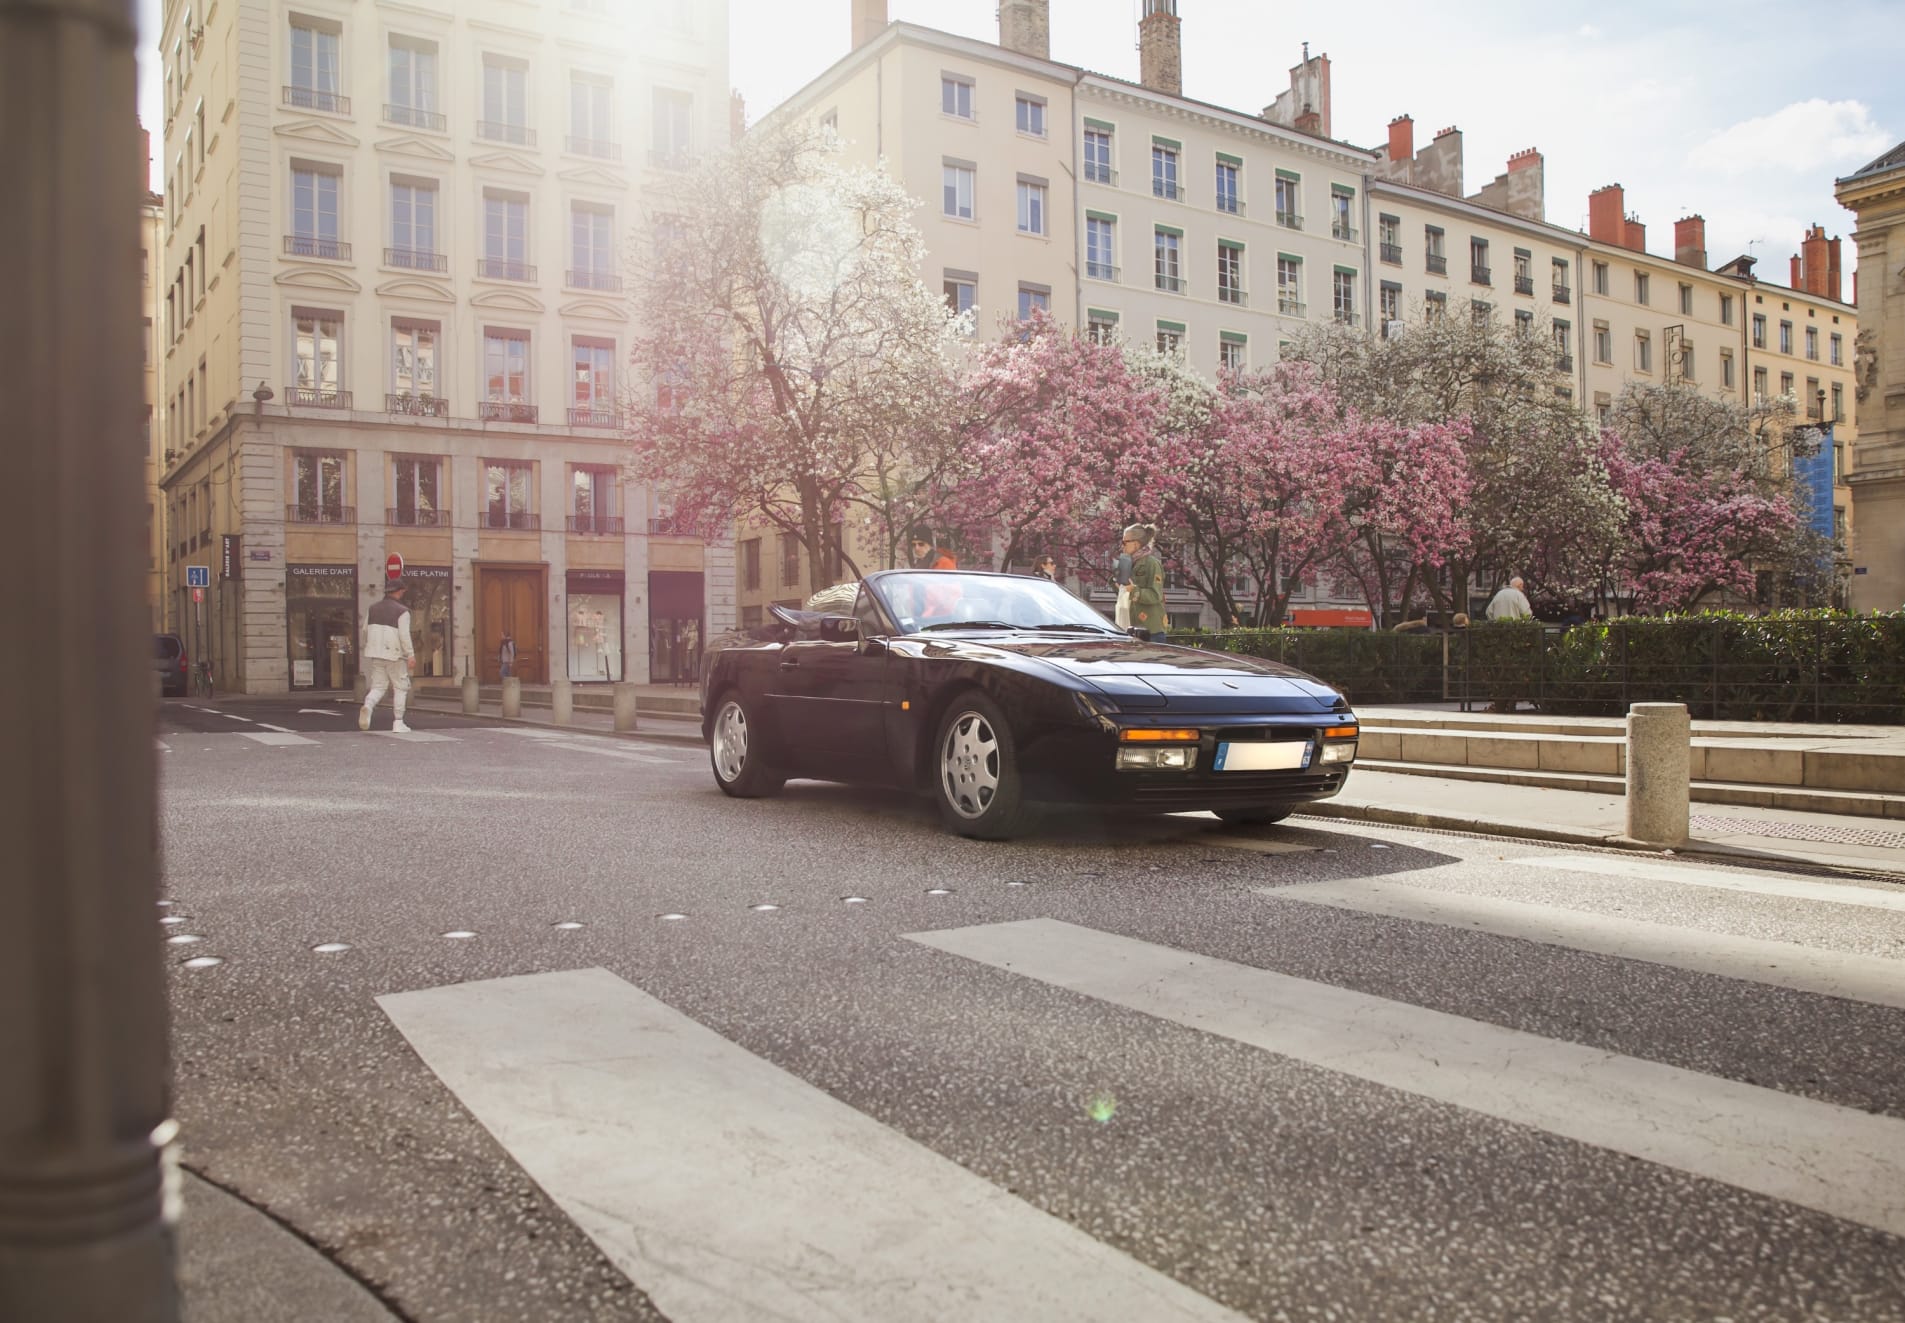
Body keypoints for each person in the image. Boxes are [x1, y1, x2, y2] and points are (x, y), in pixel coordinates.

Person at [359, 578, 416, 733]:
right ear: (400, 591)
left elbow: (364, 631)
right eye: (403, 591)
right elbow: (404, 636)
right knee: (400, 687)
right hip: (395, 655)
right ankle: (398, 722)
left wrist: (369, 645)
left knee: (378, 686)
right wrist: (410, 655)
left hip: (376, 653)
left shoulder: (373, 609)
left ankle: (368, 706)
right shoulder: (402, 611)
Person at [1123, 523, 1166, 642]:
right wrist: (1116, 581)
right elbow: (1125, 595)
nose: (1122, 546)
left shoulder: (1152, 563)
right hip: (1133, 629)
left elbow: (1155, 595)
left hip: (1151, 631)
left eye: (1125, 542)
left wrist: (1134, 590)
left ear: (1136, 543)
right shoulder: (1129, 563)